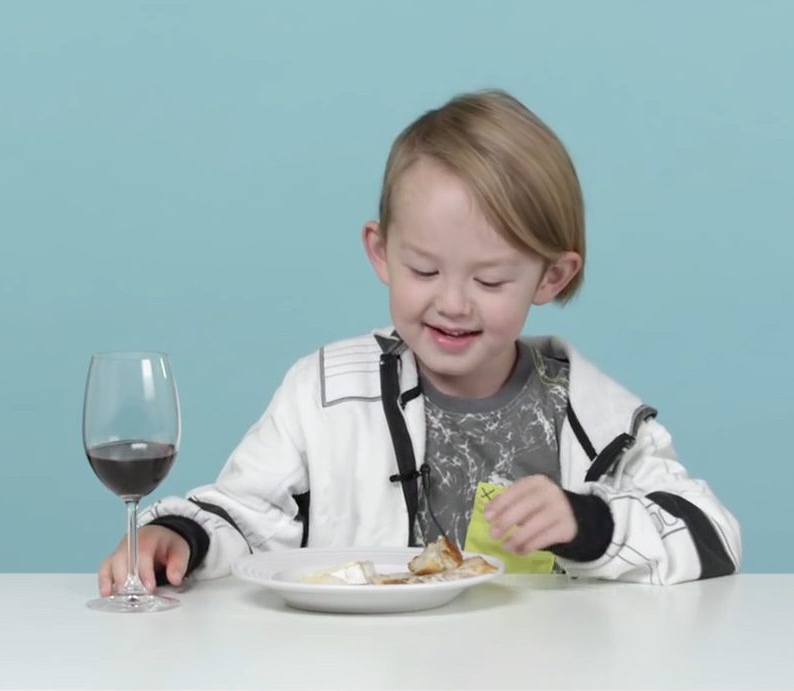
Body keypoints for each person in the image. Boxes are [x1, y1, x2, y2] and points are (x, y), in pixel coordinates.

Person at [98, 89, 741, 593]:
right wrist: (178, 535)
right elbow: (243, 513)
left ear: (552, 275)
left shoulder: (591, 414)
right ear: (380, 253)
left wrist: (588, 523)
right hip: (366, 668)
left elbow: (711, 534)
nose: (452, 302)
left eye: (490, 279)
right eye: (424, 271)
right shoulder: (322, 394)